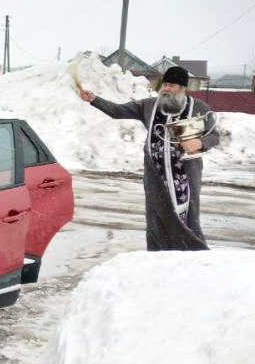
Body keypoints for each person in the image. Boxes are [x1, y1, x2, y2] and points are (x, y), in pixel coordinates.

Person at [79, 65, 219, 250]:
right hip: (156, 176)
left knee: (186, 216)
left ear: (183, 88)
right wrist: (94, 99)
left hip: (185, 176)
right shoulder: (149, 106)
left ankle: (191, 256)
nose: (166, 88)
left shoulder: (198, 108)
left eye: (171, 85)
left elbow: (214, 136)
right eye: (165, 84)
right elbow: (117, 111)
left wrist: (199, 143)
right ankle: (157, 256)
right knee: (156, 218)